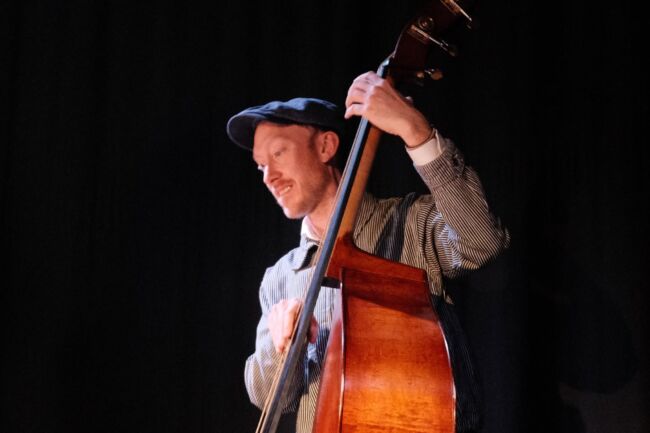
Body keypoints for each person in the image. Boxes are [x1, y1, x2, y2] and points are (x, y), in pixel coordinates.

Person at [226, 71, 510, 433]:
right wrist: (280, 349)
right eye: (261, 166)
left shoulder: (411, 224)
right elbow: (269, 399)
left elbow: (482, 241)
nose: (269, 176)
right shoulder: (281, 277)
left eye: (279, 153)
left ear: (326, 147)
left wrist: (416, 133)